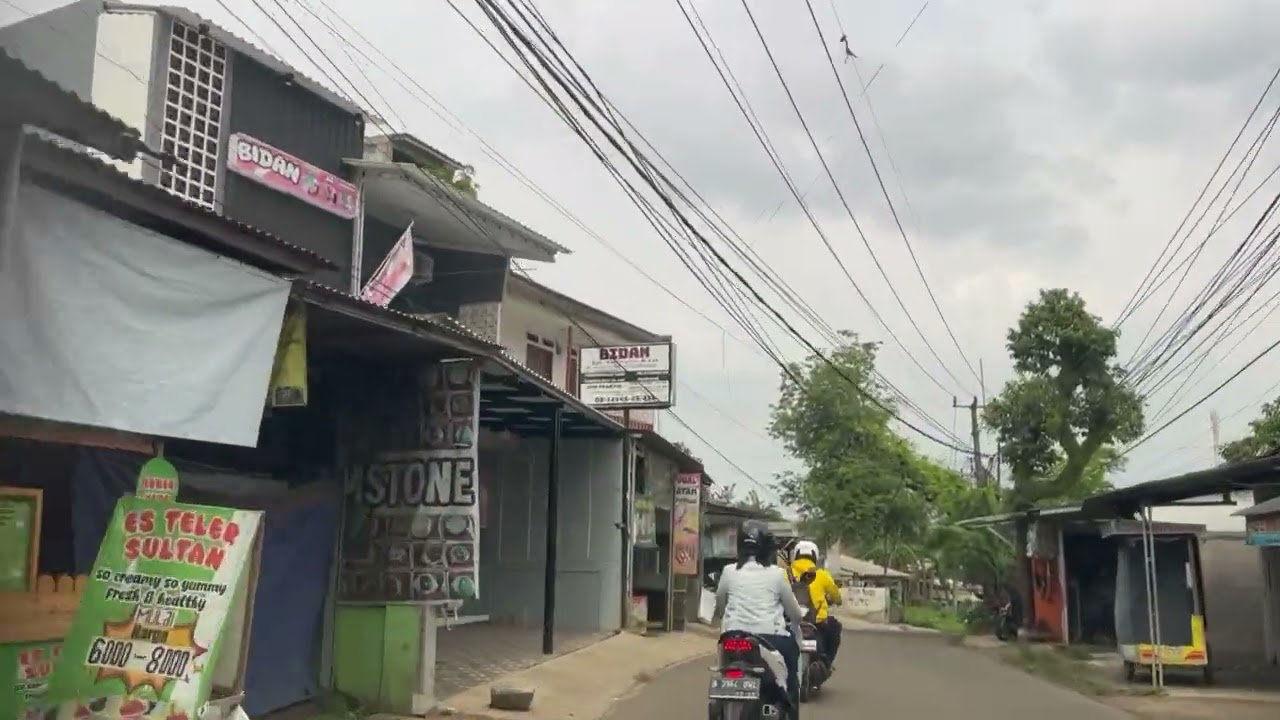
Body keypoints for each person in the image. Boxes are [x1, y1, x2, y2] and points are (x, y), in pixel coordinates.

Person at [715, 520, 805, 715]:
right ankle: (790, 710)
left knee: (722, 669)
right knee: (791, 658)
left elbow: (720, 604)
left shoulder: (728, 572)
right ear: (767, 548)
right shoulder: (777, 574)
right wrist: (796, 623)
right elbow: (794, 613)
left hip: (732, 637)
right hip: (770, 639)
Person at [788, 540, 844, 665]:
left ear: (796, 555)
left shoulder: (784, 573)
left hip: (788, 622)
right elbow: (837, 598)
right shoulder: (822, 574)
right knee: (835, 627)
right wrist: (835, 601)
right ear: (815, 556)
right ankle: (827, 662)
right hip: (817, 623)